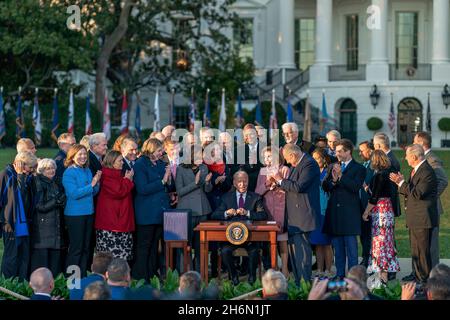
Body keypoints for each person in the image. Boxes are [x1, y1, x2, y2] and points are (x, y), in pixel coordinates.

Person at [270, 143, 320, 284]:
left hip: (303, 216)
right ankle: (298, 283)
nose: (287, 162)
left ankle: (304, 285)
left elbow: (298, 187)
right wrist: (278, 184)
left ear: (293, 155)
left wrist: (279, 179)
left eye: (287, 158)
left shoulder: (309, 164)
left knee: (303, 254)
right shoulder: (296, 164)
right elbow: (290, 185)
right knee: (294, 253)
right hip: (293, 216)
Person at [390, 144, 438, 283]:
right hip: (415, 218)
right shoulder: (417, 170)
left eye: (407, 156)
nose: (405, 158)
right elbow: (411, 191)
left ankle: (424, 281)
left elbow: (417, 194)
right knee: (415, 249)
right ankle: (416, 275)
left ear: (414, 157)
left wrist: (401, 182)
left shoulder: (426, 172)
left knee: (422, 252)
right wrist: (402, 182)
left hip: (422, 219)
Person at [211, 171, 267, 285]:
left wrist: (248, 213)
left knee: (254, 251)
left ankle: (252, 279)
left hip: (250, 238)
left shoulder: (256, 197)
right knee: (225, 251)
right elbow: (215, 215)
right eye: (240, 182)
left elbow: (263, 215)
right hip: (231, 237)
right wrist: (226, 213)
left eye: (245, 181)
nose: (243, 184)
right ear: (235, 183)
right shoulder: (226, 198)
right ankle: (234, 277)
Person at [322, 139, 366, 279]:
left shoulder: (359, 168)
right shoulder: (332, 166)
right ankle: (340, 274)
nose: (337, 154)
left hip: (350, 215)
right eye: (336, 151)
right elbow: (325, 187)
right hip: (335, 213)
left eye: (340, 151)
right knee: (338, 249)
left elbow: (355, 187)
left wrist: (341, 176)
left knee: (351, 249)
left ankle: (353, 277)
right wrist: (334, 180)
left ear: (348, 151)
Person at [133, 138, 171, 281]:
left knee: (155, 246)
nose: (162, 153)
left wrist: (168, 185)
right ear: (150, 150)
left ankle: (151, 273)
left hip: (160, 212)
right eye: (159, 150)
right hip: (146, 213)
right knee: (144, 246)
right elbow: (142, 189)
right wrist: (162, 181)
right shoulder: (140, 164)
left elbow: (166, 184)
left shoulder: (161, 164)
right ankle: (141, 276)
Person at [63, 144, 101, 277]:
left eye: (85, 154)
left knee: (86, 248)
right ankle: (72, 281)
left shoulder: (87, 170)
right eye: (79, 154)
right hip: (75, 215)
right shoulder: (69, 172)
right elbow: (74, 194)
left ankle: (83, 277)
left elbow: (93, 192)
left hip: (88, 213)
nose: (83, 156)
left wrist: (97, 183)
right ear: (72, 156)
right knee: (76, 249)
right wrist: (92, 184)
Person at [362, 150, 400, 284]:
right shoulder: (388, 173)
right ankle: (384, 274)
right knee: (387, 241)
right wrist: (367, 188)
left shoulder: (379, 175)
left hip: (380, 211)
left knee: (380, 242)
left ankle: (382, 278)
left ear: (375, 160)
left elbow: (374, 198)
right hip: (388, 209)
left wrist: (366, 212)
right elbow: (380, 192)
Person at [0, 151, 37, 280]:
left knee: (24, 256)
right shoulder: (7, 174)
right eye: (30, 167)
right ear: (20, 164)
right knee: (12, 256)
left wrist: (25, 176)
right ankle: (7, 285)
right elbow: (19, 197)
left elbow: (30, 198)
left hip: (26, 222)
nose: (32, 170)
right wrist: (21, 176)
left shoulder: (28, 176)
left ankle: (21, 284)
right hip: (11, 223)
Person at [414, 132, 448, 268]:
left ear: (422, 144)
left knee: (431, 243)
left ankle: (434, 273)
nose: (412, 143)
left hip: (431, 208)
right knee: (420, 243)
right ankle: (419, 271)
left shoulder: (432, 159)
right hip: (420, 209)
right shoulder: (421, 158)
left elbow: (443, 180)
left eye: (415, 141)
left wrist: (430, 197)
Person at [176, 145, 213, 271]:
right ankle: (185, 273)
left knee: (200, 246)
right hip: (187, 211)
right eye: (199, 155)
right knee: (186, 245)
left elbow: (208, 190)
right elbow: (180, 191)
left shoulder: (204, 167)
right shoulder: (181, 169)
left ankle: (200, 273)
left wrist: (208, 182)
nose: (202, 158)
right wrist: (195, 183)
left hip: (203, 210)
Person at [255, 146, 290, 277]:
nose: (267, 159)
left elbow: (290, 188)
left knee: (282, 240)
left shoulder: (285, 169)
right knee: (270, 241)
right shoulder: (263, 171)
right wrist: (268, 184)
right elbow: (257, 192)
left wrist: (279, 184)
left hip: (282, 210)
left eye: (269, 156)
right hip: (268, 210)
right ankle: (274, 269)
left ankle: (285, 269)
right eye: (265, 157)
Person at [95, 150, 135, 261]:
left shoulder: (117, 174)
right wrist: (127, 180)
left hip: (119, 221)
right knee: (109, 258)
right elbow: (118, 192)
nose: (123, 163)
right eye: (120, 160)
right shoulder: (106, 175)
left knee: (122, 258)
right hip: (111, 224)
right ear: (112, 162)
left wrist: (126, 180)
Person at [31, 158, 66, 277]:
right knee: (42, 265)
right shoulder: (38, 182)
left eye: (53, 168)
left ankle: (55, 288)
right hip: (43, 230)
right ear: (41, 170)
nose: (52, 170)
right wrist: (56, 201)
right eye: (48, 168)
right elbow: (39, 206)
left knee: (55, 265)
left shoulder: (57, 182)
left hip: (56, 229)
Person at [309, 148, 333, 277]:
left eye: (317, 158)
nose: (314, 160)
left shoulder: (328, 172)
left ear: (323, 159)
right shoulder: (311, 172)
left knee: (327, 243)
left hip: (326, 211)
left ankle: (328, 269)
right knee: (318, 243)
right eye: (313, 158)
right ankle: (319, 269)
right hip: (314, 211)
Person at [358, 141, 375, 267]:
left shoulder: (374, 167)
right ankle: (365, 257)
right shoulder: (363, 165)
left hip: (371, 206)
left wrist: (366, 188)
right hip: (361, 205)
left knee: (370, 235)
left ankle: (369, 259)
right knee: (363, 234)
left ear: (370, 151)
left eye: (362, 150)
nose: (360, 153)